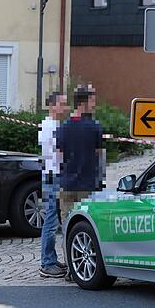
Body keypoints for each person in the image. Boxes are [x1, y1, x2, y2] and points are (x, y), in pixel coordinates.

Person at [57, 85, 106, 234]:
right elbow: (100, 155)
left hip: (67, 185)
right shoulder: (95, 127)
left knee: (68, 230)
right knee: (86, 230)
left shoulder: (63, 127)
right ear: (83, 103)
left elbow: (59, 155)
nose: (94, 105)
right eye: (92, 101)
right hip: (88, 186)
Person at [38, 92, 68, 278]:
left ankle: (51, 259)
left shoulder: (54, 125)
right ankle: (47, 263)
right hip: (53, 176)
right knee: (51, 221)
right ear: (52, 105)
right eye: (62, 104)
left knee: (54, 219)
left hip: (54, 175)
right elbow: (60, 151)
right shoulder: (50, 126)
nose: (65, 108)